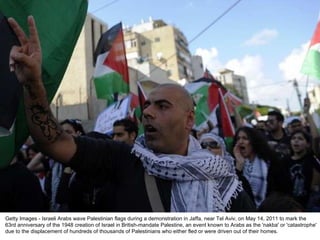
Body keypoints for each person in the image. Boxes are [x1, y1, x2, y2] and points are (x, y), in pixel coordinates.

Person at [8, 16, 255, 212]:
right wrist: (33, 84)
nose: (147, 112)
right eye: (147, 105)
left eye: (162, 106)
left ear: (189, 119)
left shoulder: (224, 186)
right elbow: (53, 142)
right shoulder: (124, 160)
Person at [232, 126, 289, 208]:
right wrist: (238, 167)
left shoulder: (271, 161)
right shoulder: (235, 163)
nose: (240, 141)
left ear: (254, 141)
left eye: (245, 138)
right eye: (238, 138)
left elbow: (283, 189)